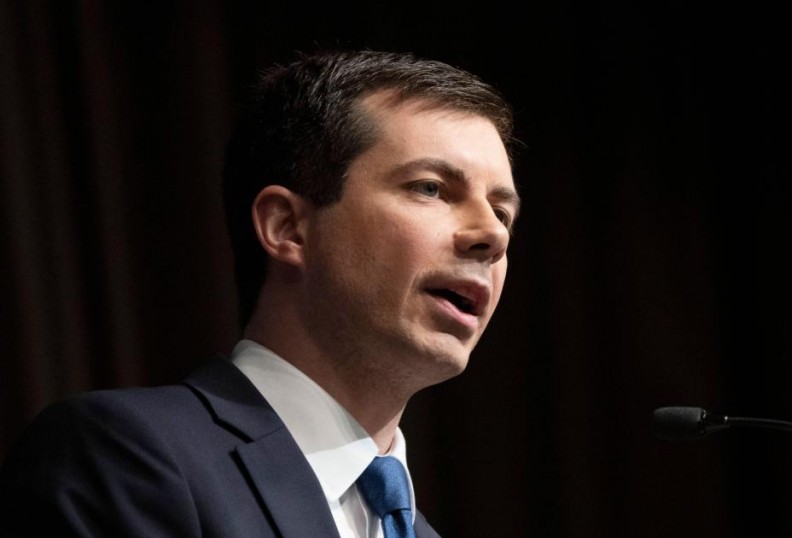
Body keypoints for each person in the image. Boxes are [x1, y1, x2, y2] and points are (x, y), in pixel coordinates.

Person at [0, 49, 521, 537]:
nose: (492, 235)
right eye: (430, 188)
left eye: (502, 212)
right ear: (287, 227)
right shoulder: (129, 457)